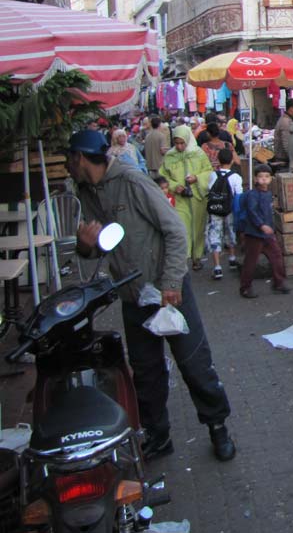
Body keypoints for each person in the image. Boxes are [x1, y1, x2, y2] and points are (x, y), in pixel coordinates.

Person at [67, 129, 235, 463]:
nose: (67, 166)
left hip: (169, 289)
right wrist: (86, 246)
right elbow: (103, 242)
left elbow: (174, 230)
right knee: (145, 370)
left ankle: (218, 427)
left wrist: (171, 282)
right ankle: (158, 436)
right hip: (132, 293)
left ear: (80, 158)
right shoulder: (86, 191)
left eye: (69, 159)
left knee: (193, 362)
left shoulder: (132, 182)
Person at [159, 125, 213, 271]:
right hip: (179, 198)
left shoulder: (198, 154)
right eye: (176, 143)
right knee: (182, 229)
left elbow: (209, 172)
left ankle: (197, 257)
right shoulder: (170, 156)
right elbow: (163, 176)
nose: (179, 146)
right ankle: (184, 258)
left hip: (197, 198)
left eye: (182, 143)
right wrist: (174, 185)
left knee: (198, 228)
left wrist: (197, 178)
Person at [240, 163, 291, 298]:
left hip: (268, 234)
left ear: (270, 178)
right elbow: (252, 211)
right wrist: (261, 225)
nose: (263, 179)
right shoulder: (253, 195)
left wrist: (270, 228)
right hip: (254, 233)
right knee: (251, 261)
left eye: (266, 176)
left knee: (277, 256)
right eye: (260, 177)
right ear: (255, 179)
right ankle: (245, 287)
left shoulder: (268, 194)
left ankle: (278, 282)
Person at [205, 148, 242, 281]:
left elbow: (209, 190)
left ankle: (217, 267)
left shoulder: (213, 175)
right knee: (230, 232)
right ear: (232, 160)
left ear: (218, 160)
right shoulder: (236, 177)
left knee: (215, 234)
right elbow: (238, 196)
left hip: (215, 209)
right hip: (230, 209)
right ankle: (232, 258)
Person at [272, 99, 293, 166]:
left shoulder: (286, 120)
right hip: (283, 161)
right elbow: (288, 145)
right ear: (292, 109)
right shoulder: (286, 122)